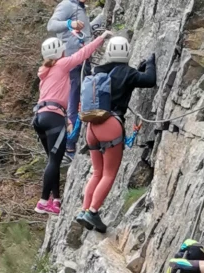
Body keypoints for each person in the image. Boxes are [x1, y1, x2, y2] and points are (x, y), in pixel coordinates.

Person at [74, 36, 156, 233]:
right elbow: (149, 80)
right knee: (109, 174)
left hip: (92, 126)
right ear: (127, 53)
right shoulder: (127, 72)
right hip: (111, 124)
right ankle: (92, 212)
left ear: (109, 52)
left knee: (97, 172)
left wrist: (139, 68)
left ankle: (84, 209)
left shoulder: (98, 71)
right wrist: (150, 64)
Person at [33, 32, 112, 215]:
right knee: (54, 160)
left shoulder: (44, 72)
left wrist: (67, 119)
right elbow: (82, 54)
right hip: (53, 117)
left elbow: (51, 97)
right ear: (60, 51)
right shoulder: (62, 64)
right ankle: (43, 201)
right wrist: (102, 37)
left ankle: (56, 201)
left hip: (41, 117)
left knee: (54, 160)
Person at [46, 0, 107, 161]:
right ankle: (70, 144)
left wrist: (104, 15)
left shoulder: (79, 8)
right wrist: (70, 23)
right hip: (73, 61)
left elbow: (85, 33)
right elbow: (51, 25)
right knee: (75, 99)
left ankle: (80, 137)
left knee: (82, 97)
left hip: (82, 61)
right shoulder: (67, 5)